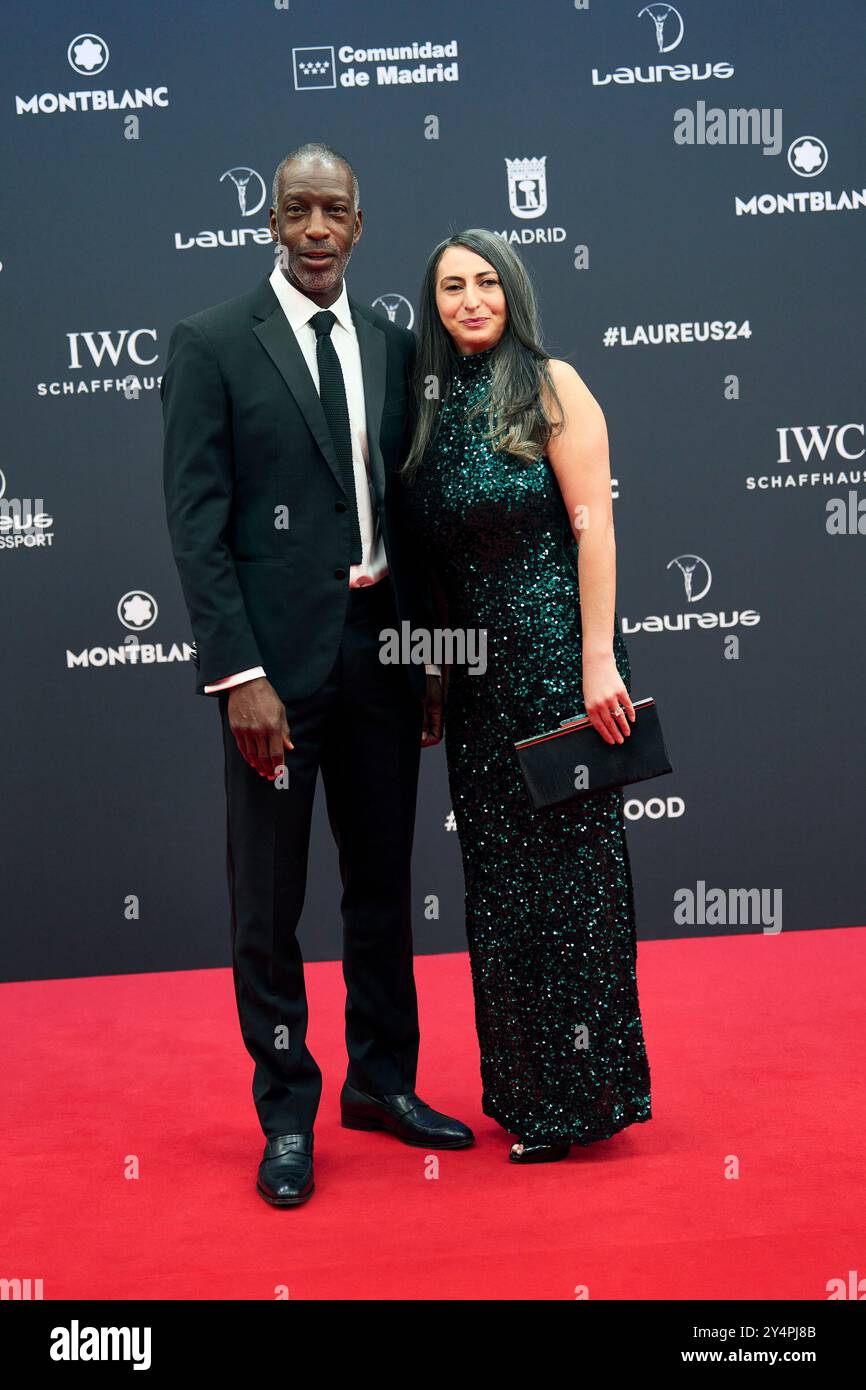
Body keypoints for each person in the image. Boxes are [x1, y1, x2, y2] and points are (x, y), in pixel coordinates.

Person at [161, 144, 473, 1208]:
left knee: (381, 885)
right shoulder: (210, 346)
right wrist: (238, 672)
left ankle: (381, 1081)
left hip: (384, 657)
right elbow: (196, 527)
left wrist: (430, 656)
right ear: (270, 220)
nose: (313, 228)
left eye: (331, 209)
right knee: (271, 900)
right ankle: (285, 1109)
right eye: (295, 209)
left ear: (356, 218)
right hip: (272, 673)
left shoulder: (390, 345)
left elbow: (414, 518)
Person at [402, 230, 653, 1163]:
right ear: (434, 306)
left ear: (515, 291)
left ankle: (589, 1097)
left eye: (487, 283)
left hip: (555, 659)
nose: (471, 299)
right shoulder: (425, 409)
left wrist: (598, 661)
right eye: (452, 287)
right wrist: (430, 667)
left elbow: (595, 532)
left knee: (573, 882)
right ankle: (523, 1092)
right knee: (502, 888)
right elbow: (427, 566)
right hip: (475, 679)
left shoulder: (553, 385)